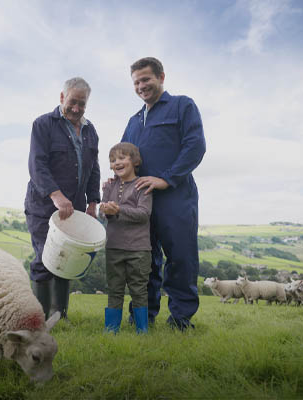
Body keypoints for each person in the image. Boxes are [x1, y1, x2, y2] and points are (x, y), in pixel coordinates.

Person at [121, 57, 206, 331]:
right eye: (136, 82)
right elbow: (123, 156)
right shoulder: (133, 120)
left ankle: (180, 320)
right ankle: (142, 318)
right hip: (140, 202)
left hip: (175, 199)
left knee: (181, 258)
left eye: (146, 79)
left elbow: (195, 146)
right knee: (143, 261)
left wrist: (166, 179)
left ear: (161, 77)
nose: (141, 86)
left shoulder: (183, 105)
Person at [25, 77, 101, 321]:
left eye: (82, 104)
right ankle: (40, 317)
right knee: (43, 258)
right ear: (62, 97)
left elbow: (94, 168)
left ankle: (61, 316)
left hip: (75, 209)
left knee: (66, 260)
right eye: (72, 102)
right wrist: (56, 195)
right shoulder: (43, 124)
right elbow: (37, 165)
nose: (76, 109)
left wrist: (92, 202)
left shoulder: (90, 131)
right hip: (43, 206)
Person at [100, 142, 152, 334]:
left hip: (138, 249)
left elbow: (144, 213)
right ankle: (111, 330)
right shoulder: (109, 186)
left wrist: (119, 209)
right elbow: (104, 213)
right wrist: (105, 210)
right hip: (114, 246)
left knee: (138, 291)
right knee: (114, 289)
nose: (117, 163)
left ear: (134, 161)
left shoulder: (142, 185)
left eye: (122, 158)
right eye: (113, 160)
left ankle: (142, 331)